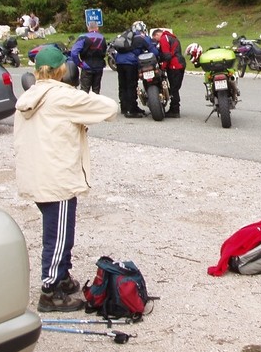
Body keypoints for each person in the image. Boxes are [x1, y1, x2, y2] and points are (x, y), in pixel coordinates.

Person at [13, 45, 119, 312]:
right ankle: (49, 291)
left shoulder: (30, 94)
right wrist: (78, 96)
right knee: (58, 238)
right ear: (63, 70)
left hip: (37, 175)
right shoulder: (63, 97)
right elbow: (109, 108)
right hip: (56, 179)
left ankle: (62, 277)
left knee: (58, 232)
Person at [115, 21, 157, 117]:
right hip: (130, 63)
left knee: (122, 85)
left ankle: (124, 108)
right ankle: (131, 110)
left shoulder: (125, 35)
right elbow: (153, 51)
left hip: (119, 62)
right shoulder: (142, 37)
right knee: (131, 86)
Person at [152, 27, 186, 117]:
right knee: (175, 88)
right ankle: (174, 108)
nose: (157, 42)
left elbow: (167, 56)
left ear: (157, 35)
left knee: (174, 89)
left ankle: (175, 110)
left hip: (174, 65)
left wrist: (162, 68)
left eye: (155, 39)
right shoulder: (171, 37)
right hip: (180, 63)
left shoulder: (164, 39)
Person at [70, 21, 107, 94]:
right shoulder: (102, 37)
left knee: (84, 91)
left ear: (88, 28)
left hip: (87, 66)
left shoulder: (83, 37)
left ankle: (85, 105)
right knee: (96, 90)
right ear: (97, 28)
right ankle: (96, 104)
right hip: (99, 66)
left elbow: (74, 52)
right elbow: (104, 50)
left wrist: (79, 63)